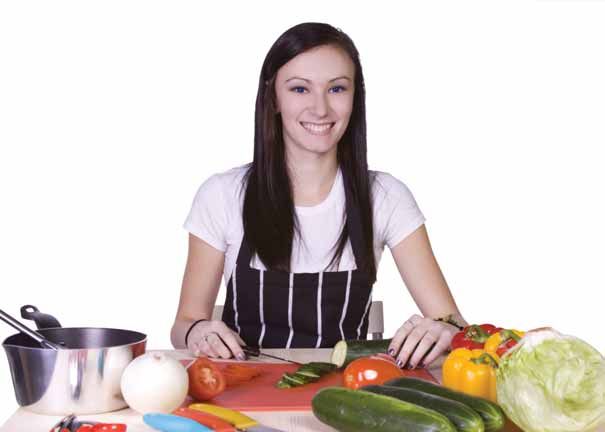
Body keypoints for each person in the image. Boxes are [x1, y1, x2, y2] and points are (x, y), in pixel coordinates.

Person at [171, 22, 468, 370]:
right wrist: (197, 331)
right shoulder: (222, 195)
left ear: (355, 97)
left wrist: (443, 329)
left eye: (337, 88)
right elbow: (184, 324)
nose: (321, 108)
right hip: (241, 391)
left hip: (347, 391)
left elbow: (454, 323)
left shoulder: (387, 197)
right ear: (273, 98)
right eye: (300, 89)